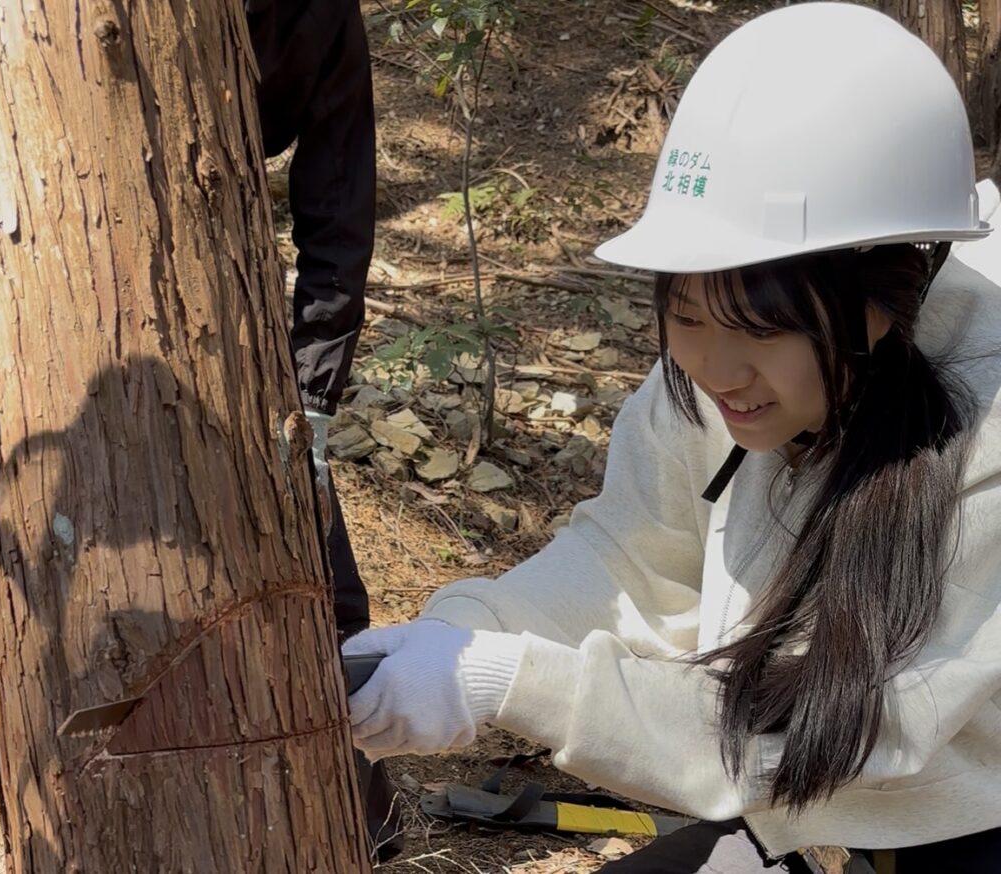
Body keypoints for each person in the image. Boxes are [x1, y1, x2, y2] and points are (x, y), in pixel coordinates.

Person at [341, 4, 1001, 872]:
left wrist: (519, 685)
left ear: (884, 298)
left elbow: (848, 732)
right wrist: (467, 635)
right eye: (686, 314)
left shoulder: (985, 429)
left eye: (761, 331)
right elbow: (631, 561)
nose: (715, 369)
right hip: (804, 809)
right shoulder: (716, 388)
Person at [244, 0, 402, 860]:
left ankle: (354, 827)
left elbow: (338, 210)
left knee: (328, 595)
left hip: (233, 311)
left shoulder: (315, 14)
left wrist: (307, 396)